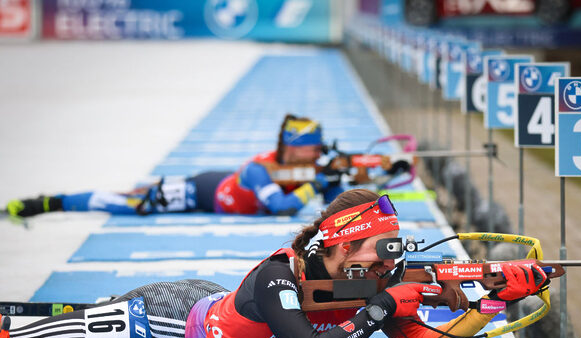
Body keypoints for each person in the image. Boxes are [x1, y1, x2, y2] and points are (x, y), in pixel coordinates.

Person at [0, 189, 548, 338]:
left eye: (390, 259)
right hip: (163, 319)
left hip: (202, 298)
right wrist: (386, 304)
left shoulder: (374, 283)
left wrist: (493, 301)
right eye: (376, 256)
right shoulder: (276, 277)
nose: (386, 270)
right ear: (337, 244)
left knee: (58, 317)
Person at [3, 114, 344, 218]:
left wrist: (333, 181)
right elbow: (281, 207)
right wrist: (315, 184)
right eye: (313, 148)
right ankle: (51, 202)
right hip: (203, 192)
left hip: (217, 186)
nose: (317, 154)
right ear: (295, 149)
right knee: (130, 203)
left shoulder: (308, 168)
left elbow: (337, 207)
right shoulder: (258, 169)